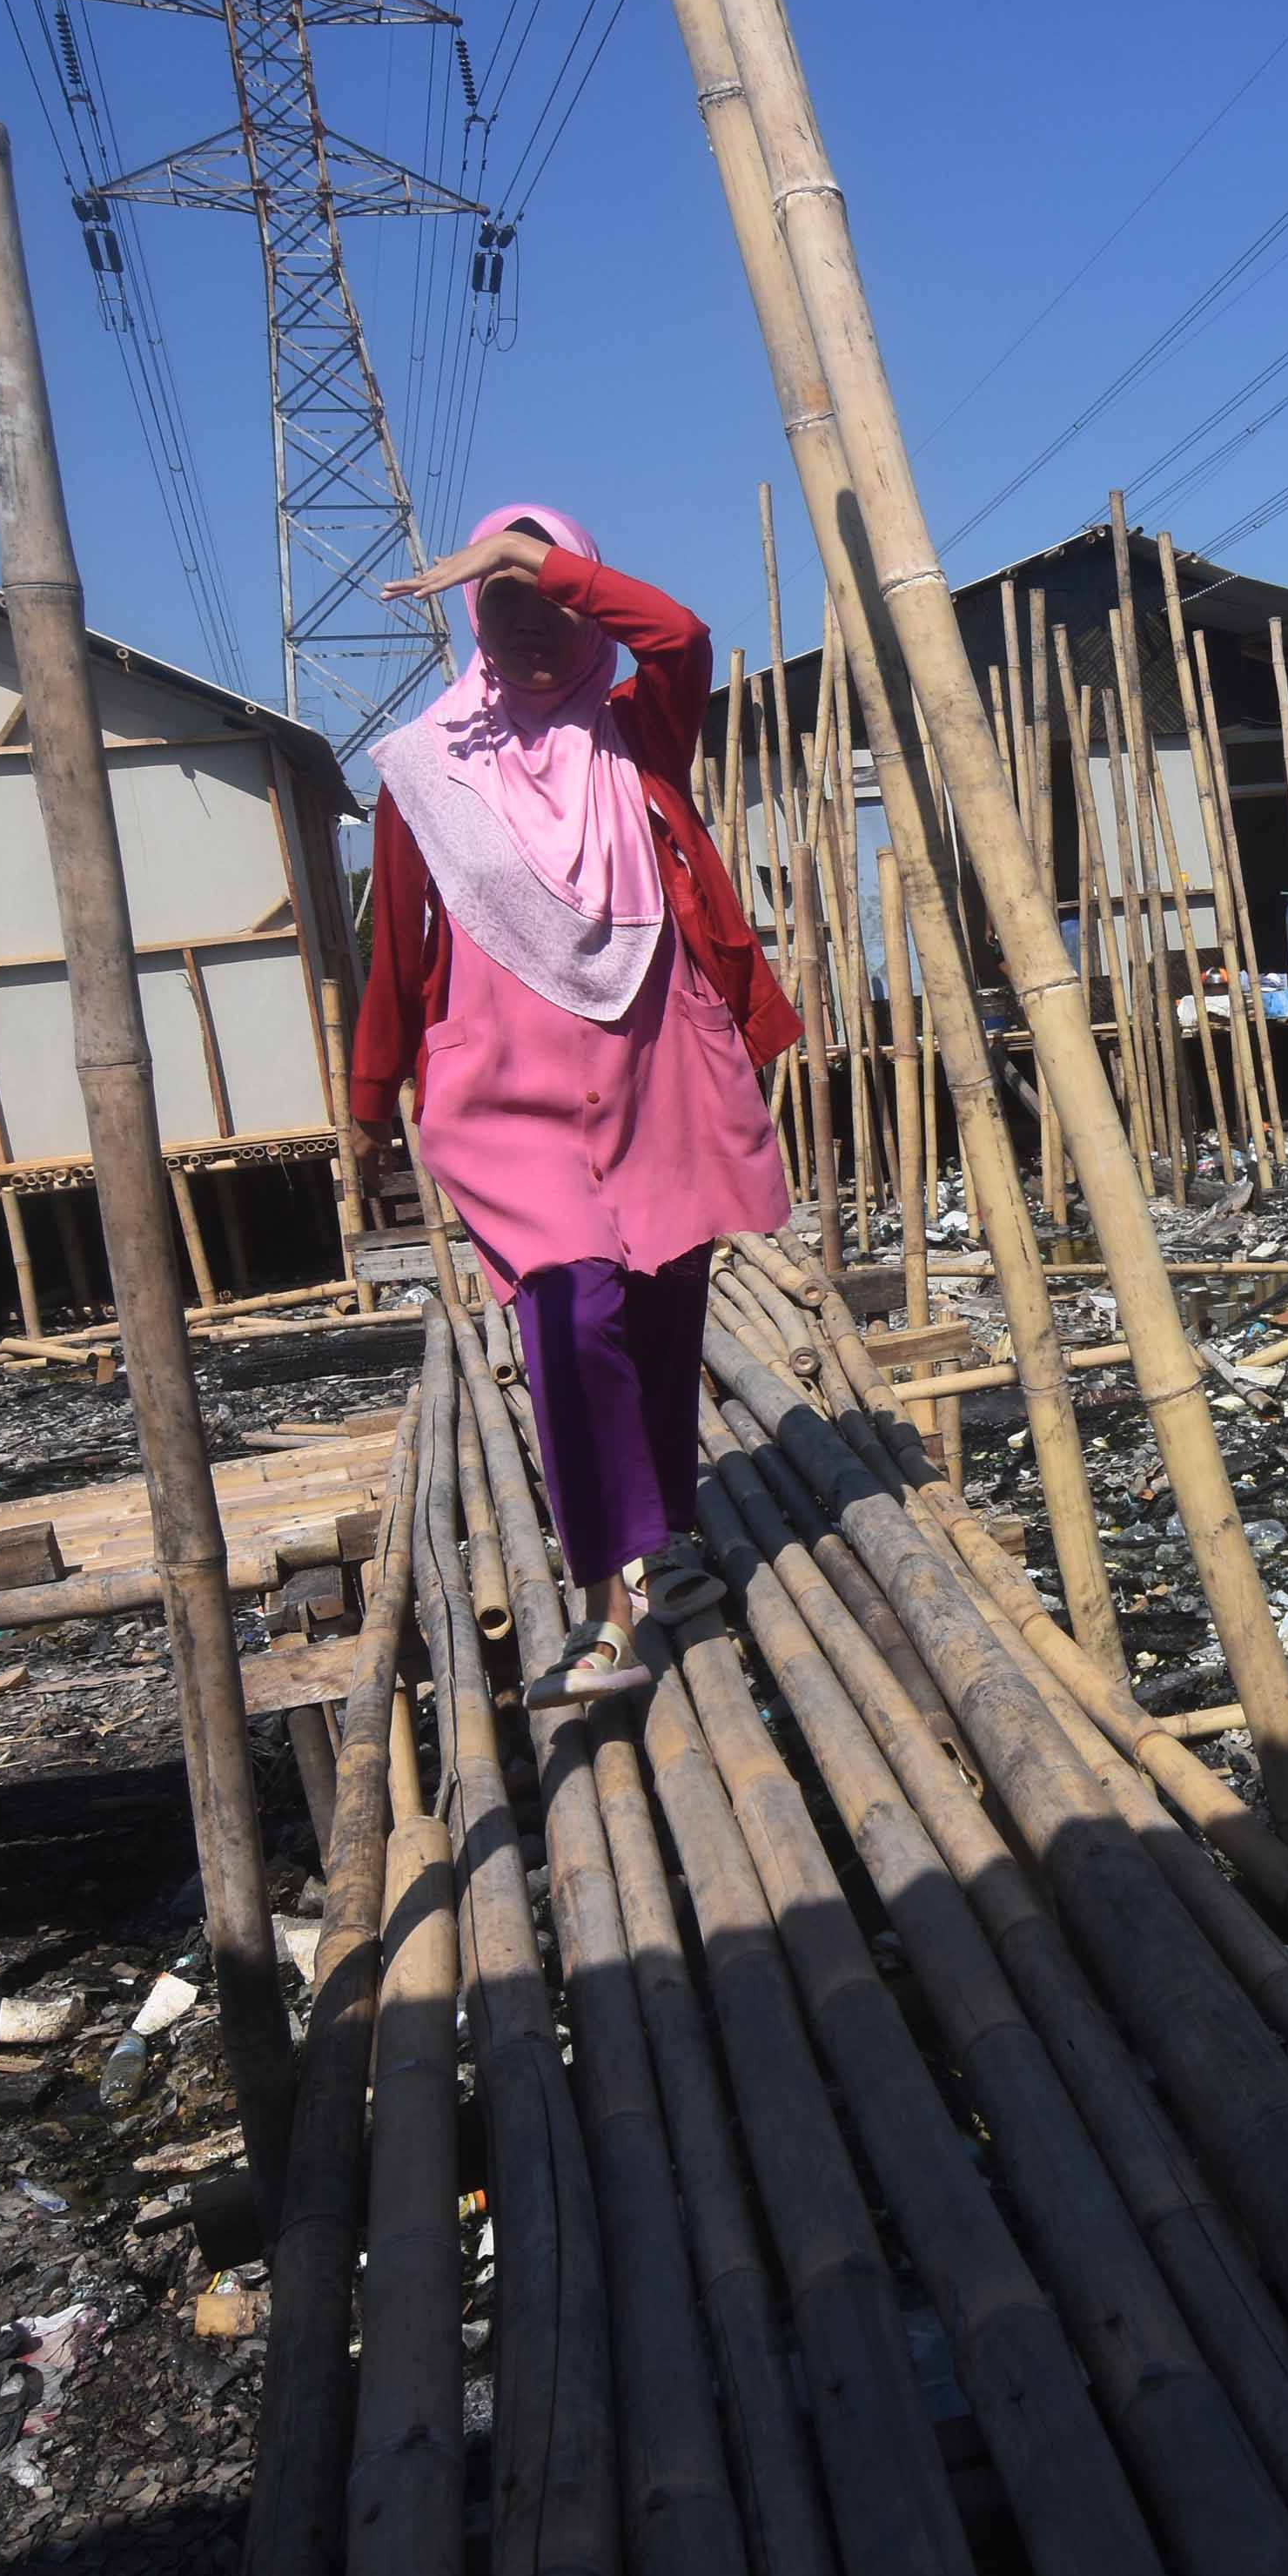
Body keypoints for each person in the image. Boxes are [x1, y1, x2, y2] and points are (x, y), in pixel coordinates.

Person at [349, 503, 798, 1703]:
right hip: (505, 1088)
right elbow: (396, 947)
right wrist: (366, 1101)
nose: (534, 627)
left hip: (655, 1065)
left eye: (554, 599)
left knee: (660, 1305)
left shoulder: (633, 726)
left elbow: (681, 633)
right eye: (504, 603)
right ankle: (606, 1607)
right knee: (569, 1309)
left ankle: (668, 1540)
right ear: (471, 619)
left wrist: (528, 557)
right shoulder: (427, 770)